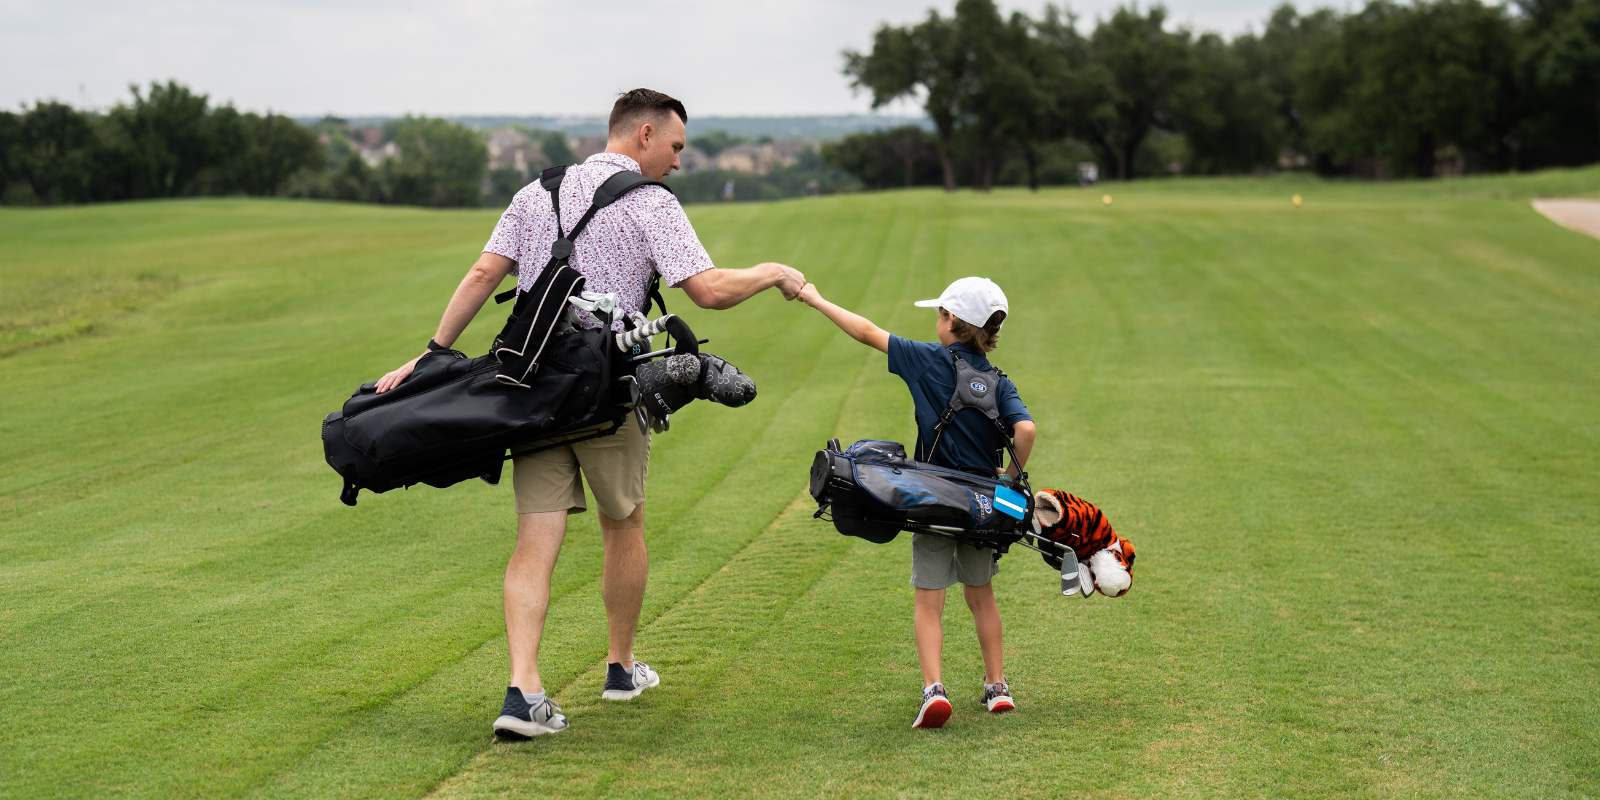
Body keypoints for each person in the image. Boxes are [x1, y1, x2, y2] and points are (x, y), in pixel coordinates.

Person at [372, 89, 806, 739]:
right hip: (609, 396)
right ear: (644, 134)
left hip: (533, 393)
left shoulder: (535, 191)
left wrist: (431, 353)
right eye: (676, 147)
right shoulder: (652, 202)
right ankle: (620, 667)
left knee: (534, 541)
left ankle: (523, 693)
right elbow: (709, 292)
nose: (678, 162)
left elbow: (484, 272)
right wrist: (772, 271)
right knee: (624, 522)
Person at [797, 277, 1035, 729]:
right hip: (984, 508)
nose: (936, 322)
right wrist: (1006, 479)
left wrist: (815, 298)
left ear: (952, 322)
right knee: (982, 597)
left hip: (933, 502)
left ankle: (934, 691)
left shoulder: (928, 360)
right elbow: (1025, 432)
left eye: (940, 314)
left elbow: (867, 332)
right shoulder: (999, 382)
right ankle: (997, 686)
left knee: (929, 602)